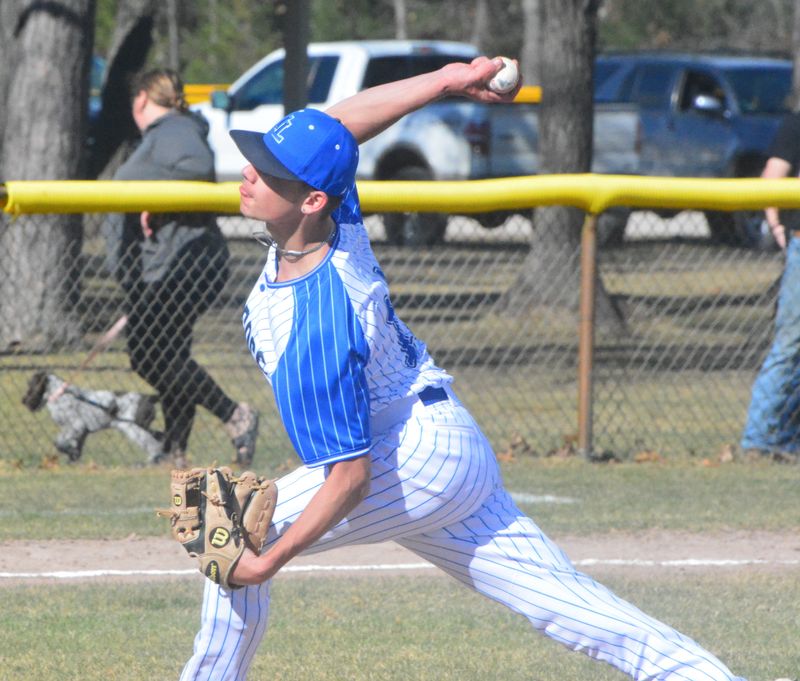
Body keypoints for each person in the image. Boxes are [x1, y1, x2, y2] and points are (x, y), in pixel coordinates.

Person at [180, 57, 745, 681]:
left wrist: (268, 560)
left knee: (239, 537)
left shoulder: (316, 323)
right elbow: (334, 127)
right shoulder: (332, 221)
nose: (250, 172)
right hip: (446, 442)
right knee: (568, 605)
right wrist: (444, 81)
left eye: (272, 172)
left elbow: (348, 477)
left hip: (407, 460)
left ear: (311, 199)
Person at [102, 68, 259, 467]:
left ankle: (234, 415)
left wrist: (157, 199)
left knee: (148, 354)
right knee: (170, 353)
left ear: (141, 99)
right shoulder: (165, 132)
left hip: (183, 263)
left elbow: (197, 165)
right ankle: (174, 450)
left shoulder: (174, 129)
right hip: (172, 263)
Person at [740, 111, 800, 462]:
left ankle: (786, 438)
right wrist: (777, 225)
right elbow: (772, 177)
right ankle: (758, 439)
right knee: (790, 344)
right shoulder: (796, 124)